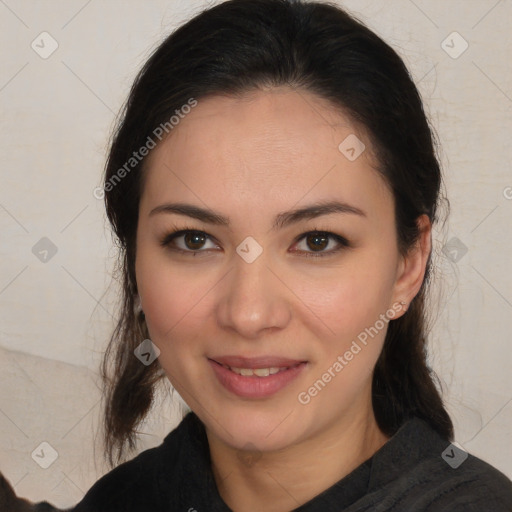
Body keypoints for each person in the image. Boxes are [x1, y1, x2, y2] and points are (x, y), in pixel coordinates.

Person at [2, 0, 511, 510]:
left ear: (407, 266)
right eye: (194, 240)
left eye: (317, 241)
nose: (247, 314)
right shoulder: (124, 500)